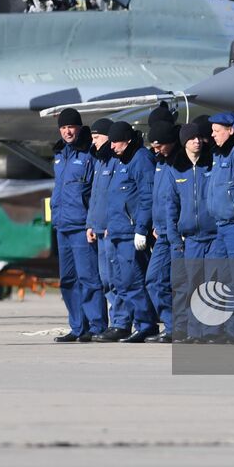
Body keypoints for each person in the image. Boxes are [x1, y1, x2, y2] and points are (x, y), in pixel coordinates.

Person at [99, 121, 159, 342]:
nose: (112, 146)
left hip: (130, 232)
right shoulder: (121, 158)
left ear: (129, 140)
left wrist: (141, 228)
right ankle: (133, 323)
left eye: (116, 141)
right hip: (116, 231)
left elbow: (147, 197)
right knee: (120, 282)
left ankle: (146, 324)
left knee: (133, 281)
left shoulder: (140, 159)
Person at [51, 108, 103, 343]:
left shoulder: (89, 154)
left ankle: (97, 325)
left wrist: (92, 223)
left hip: (82, 226)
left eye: (71, 127)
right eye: (63, 127)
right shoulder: (60, 154)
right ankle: (77, 326)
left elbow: (96, 193)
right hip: (63, 225)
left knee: (88, 277)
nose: (67, 131)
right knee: (68, 279)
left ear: (80, 128)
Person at [169, 122, 219, 342]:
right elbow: (171, 205)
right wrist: (174, 237)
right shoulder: (176, 169)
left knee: (213, 284)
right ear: (184, 142)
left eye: (199, 137)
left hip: (215, 235)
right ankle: (194, 331)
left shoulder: (213, 163)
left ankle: (212, 331)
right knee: (193, 285)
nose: (197, 141)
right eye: (192, 138)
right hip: (191, 238)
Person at [207, 112, 234, 341]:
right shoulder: (219, 154)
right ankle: (223, 327)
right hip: (220, 226)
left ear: (230, 130)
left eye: (217, 131)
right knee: (219, 277)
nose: (212, 135)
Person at [145, 122, 183, 342]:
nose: (155, 149)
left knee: (179, 282)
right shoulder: (160, 163)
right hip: (161, 232)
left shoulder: (180, 164)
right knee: (154, 280)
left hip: (177, 232)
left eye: (159, 145)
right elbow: (157, 198)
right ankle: (171, 325)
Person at [85, 118, 122, 329]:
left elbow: (116, 198)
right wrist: (90, 224)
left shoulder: (117, 161)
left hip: (111, 230)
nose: (94, 142)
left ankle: (121, 322)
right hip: (98, 230)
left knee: (116, 278)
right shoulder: (99, 162)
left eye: (97, 138)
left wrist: (112, 225)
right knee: (105, 279)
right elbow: (95, 197)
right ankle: (115, 321)